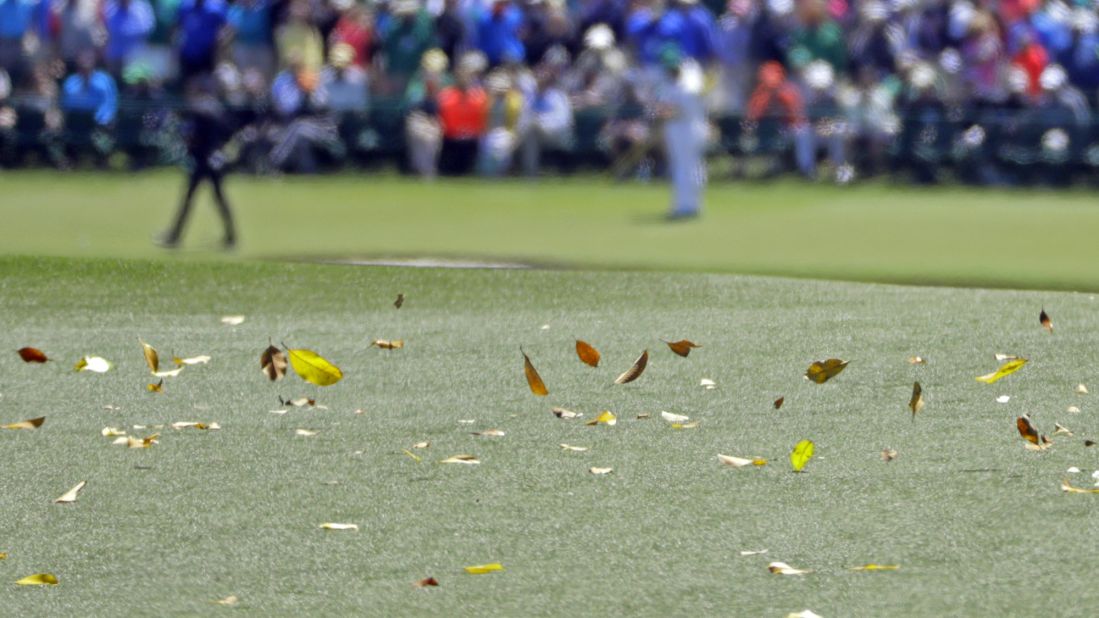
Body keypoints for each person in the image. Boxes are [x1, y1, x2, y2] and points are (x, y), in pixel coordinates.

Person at [157, 77, 237, 249]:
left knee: (191, 199)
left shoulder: (201, 109)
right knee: (217, 199)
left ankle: (175, 236)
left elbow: (194, 136)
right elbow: (228, 131)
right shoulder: (214, 108)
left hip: (204, 162)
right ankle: (231, 236)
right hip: (213, 160)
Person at [653, 44, 706, 220]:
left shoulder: (689, 82)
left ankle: (687, 207)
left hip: (689, 128)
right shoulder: (669, 82)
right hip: (676, 129)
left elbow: (679, 110)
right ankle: (687, 205)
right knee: (682, 167)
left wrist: (662, 113)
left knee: (688, 168)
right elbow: (664, 106)